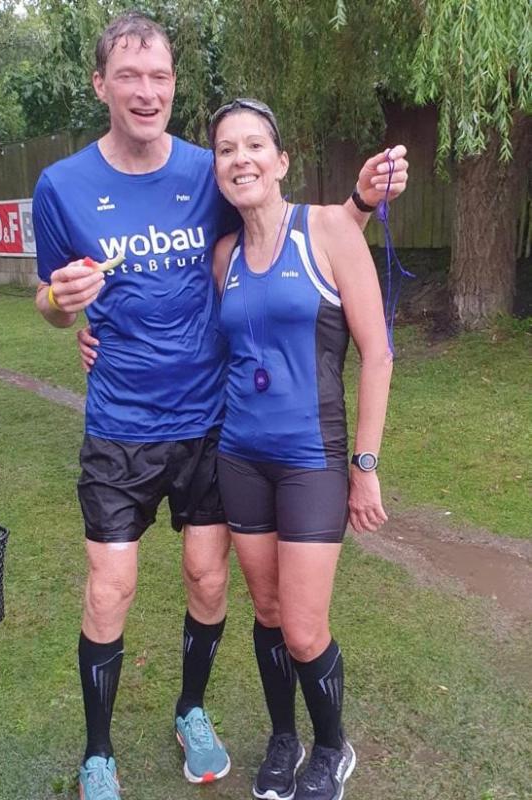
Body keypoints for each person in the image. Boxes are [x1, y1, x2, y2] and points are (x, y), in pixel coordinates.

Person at [35, 12, 407, 800]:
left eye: (159, 76)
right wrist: (63, 311)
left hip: (212, 427)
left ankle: (194, 712)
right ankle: (99, 752)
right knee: (111, 587)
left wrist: (360, 199)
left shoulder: (206, 172)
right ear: (100, 84)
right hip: (123, 427)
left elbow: (293, 228)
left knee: (212, 583)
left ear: (174, 84)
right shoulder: (61, 187)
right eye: (128, 76)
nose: (146, 91)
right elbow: (52, 298)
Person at [205, 99, 393, 800]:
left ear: (281, 162)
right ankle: (283, 739)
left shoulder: (329, 229)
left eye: (255, 145)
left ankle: (332, 746)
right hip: (240, 458)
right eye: (227, 149)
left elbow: (377, 355)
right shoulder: (223, 256)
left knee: (306, 628)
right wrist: (95, 337)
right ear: (218, 170)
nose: (241, 159)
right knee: (268, 612)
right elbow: (209, 349)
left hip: (311, 461)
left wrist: (364, 467)